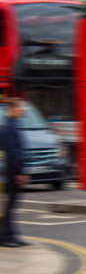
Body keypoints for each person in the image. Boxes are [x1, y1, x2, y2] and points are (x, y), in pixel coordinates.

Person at [0, 98, 30, 248]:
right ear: (13, 109)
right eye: (21, 108)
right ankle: (5, 237)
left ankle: (11, 235)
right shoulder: (8, 127)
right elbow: (12, 153)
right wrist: (19, 172)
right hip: (10, 173)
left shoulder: (13, 125)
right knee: (9, 206)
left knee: (11, 206)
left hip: (12, 171)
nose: (24, 110)